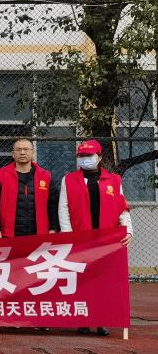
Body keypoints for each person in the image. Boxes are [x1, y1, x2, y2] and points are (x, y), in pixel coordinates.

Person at [57, 140, 132, 336]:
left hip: (107, 240)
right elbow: (63, 209)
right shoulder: (68, 180)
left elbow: (122, 208)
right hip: (81, 238)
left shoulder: (114, 180)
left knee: (105, 280)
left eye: (89, 156)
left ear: (99, 157)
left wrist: (128, 230)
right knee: (83, 279)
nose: (85, 159)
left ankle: (102, 320)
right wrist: (68, 235)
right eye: (81, 156)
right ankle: (83, 320)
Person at [0, 138, 58, 238]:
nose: (22, 152)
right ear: (13, 154)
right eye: (18, 149)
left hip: (39, 233)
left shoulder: (46, 176)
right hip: (8, 233)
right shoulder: (1, 175)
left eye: (26, 149)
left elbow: (53, 205)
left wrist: (53, 228)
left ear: (33, 152)